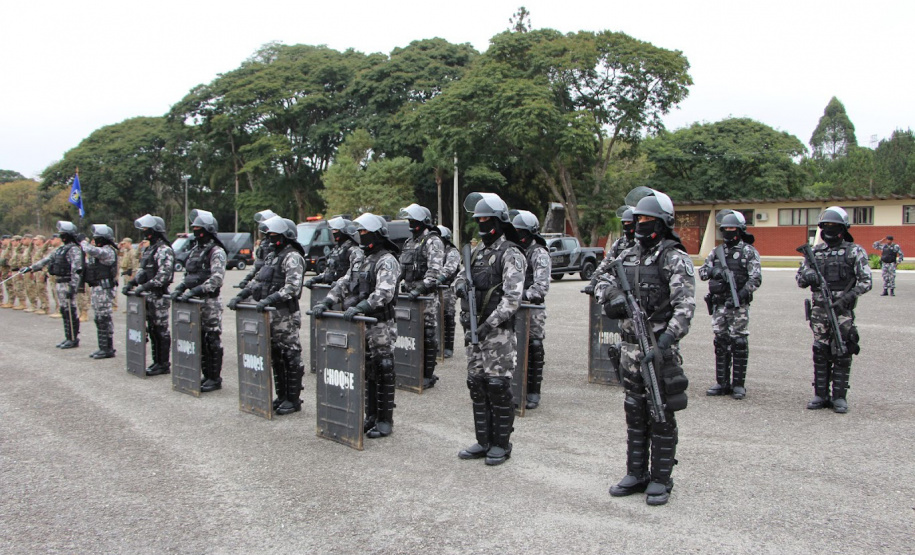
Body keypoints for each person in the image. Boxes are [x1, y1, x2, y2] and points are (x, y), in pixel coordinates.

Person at [596, 188, 695, 506]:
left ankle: (661, 479)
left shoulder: (674, 256)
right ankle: (636, 473)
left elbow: (685, 307)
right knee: (635, 412)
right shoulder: (625, 254)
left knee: (661, 414)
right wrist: (612, 298)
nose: (640, 224)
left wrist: (665, 343)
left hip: (658, 351)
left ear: (663, 223)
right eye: (637, 218)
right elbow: (599, 279)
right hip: (628, 350)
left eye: (648, 219)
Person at [313, 213, 402, 438]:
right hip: (360, 325)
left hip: (380, 324)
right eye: (359, 232)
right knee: (367, 370)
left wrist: (362, 306)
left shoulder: (387, 259)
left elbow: (384, 292)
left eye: (366, 232)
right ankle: (370, 416)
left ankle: (385, 420)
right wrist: (327, 300)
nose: (362, 236)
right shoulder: (361, 257)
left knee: (383, 369)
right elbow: (345, 281)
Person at [454, 193, 527, 466]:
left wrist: (488, 324)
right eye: (478, 220)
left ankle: (501, 444)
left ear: (499, 221)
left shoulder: (511, 253)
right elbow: (461, 278)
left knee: (497, 385)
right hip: (473, 331)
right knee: (477, 384)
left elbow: (512, 299)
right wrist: (460, 286)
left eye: (486, 219)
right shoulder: (476, 252)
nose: (482, 224)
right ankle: (483, 441)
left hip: (497, 334)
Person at [796, 207, 872, 414]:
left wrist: (848, 296)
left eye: (834, 226)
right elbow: (800, 279)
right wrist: (808, 276)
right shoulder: (815, 253)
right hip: (820, 311)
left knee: (843, 350)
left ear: (843, 228)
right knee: (820, 351)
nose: (829, 230)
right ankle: (821, 394)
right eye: (826, 226)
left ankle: (839, 396)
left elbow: (866, 281)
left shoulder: (854, 251)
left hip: (842, 311)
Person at [229, 216, 305, 415]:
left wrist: (269, 299)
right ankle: (281, 396)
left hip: (285, 314)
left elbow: (292, 287)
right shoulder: (272, 256)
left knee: (290, 355)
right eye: (269, 234)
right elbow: (258, 280)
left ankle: (293, 399)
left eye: (274, 234)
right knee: (277, 356)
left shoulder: (293, 256)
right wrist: (242, 295)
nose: (270, 237)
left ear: (285, 235)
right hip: (270, 314)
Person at [697, 211, 762, 399]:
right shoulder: (716, 252)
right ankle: (722, 382)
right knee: (721, 342)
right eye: (725, 229)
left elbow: (756, 278)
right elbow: (702, 272)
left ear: (740, 230)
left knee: (739, 342)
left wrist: (743, 293)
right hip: (719, 305)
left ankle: (739, 384)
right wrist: (714, 271)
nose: (728, 232)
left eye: (732, 229)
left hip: (738, 305)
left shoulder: (748, 252)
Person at [170, 210, 227, 392]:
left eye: (199, 229)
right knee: (199, 339)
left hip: (209, 302)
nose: (196, 232)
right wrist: (181, 287)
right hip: (193, 303)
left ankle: (214, 377)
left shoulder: (216, 251)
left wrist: (196, 290)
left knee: (212, 339)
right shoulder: (195, 250)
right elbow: (189, 274)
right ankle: (205, 374)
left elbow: (216, 279)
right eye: (194, 228)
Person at [397, 203, 445, 388]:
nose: (411, 223)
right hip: (408, 296)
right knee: (407, 334)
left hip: (425, 298)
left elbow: (434, 271)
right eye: (409, 220)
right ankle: (408, 369)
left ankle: (427, 374)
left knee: (427, 333)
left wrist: (421, 288)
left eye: (414, 220)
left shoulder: (433, 241)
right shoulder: (409, 243)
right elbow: (401, 269)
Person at [122, 214, 175, 376]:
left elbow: (164, 275)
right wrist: (132, 283)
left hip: (158, 296)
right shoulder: (148, 249)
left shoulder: (164, 250)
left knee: (161, 330)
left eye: (147, 230)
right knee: (151, 329)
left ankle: (164, 363)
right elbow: (143, 271)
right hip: (147, 295)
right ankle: (156, 361)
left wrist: (145, 286)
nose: (145, 233)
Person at [511, 210, 551, 410]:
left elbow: (541, 285)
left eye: (521, 232)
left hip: (532, 309)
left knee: (534, 346)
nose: (517, 235)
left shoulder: (539, 253)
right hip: (513, 307)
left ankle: (533, 391)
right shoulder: (514, 251)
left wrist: (521, 296)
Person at [26, 222, 84, 349]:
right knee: (64, 310)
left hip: (68, 282)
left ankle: (73, 338)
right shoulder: (61, 249)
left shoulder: (73, 249)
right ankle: (68, 336)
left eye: (62, 234)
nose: (60, 237)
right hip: (59, 282)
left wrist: (73, 287)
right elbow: (47, 259)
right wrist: (31, 268)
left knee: (70, 310)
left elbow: (76, 270)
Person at [79, 225, 119, 359]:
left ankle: (108, 348)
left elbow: (92, 250)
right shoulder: (100, 251)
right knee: (99, 318)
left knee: (104, 318)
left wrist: (82, 241)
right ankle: (103, 347)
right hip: (97, 288)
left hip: (104, 289)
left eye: (96, 238)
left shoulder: (108, 251)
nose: (94, 240)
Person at [584, 206, 636, 295]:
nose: (626, 224)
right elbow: (606, 263)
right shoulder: (619, 243)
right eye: (624, 222)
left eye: (629, 222)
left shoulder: (643, 243)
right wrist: (593, 282)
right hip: (621, 286)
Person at [304, 216, 364, 292]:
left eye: (336, 230)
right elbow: (329, 271)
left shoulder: (354, 250)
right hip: (334, 292)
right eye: (332, 230)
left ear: (344, 231)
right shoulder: (336, 250)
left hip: (346, 292)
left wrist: (339, 284)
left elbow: (354, 275)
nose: (333, 232)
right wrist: (315, 279)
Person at [238, 209, 277, 290]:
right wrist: (247, 279)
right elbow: (258, 264)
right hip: (260, 279)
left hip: (271, 281)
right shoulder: (264, 242)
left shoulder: (276, 243)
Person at [437, 225, 461, 358]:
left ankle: (448, 346)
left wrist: (437, 278)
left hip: (448, 288)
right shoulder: (435, 250)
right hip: (436, 289)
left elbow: (449, 269)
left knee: (448, 315)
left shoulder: (452, 252)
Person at [29, 235, 51, 315]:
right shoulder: (36, 250)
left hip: (41, 272)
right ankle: (42, 306)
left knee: (42, 290)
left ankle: (45, 307)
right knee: (38, 290)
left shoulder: (45, 250)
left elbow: (45, 263)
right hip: (36, 272)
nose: (34, 241)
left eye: (36, 240)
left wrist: (44, 273)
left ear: (41, 240)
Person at [117, 237, 139, 312]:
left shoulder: (132, 252)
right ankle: (128, 306)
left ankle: (132, 306)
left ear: (129, 243)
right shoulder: (126, 251)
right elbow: (118, 254)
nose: (124, 245)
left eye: (125, 243)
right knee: (127, 290)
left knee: (131, 290)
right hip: (125, 272)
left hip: (130, 273)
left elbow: (135, 264)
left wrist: (133, 275)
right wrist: (119, 247)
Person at [0, 235, 12, 307]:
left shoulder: (10, 249)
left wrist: (10, 270)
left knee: (9, 286)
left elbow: (11, 260)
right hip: (3, 269)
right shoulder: (4, 249)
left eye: (3, 240)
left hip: (7, 270)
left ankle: (10, 301)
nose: (2, 241)